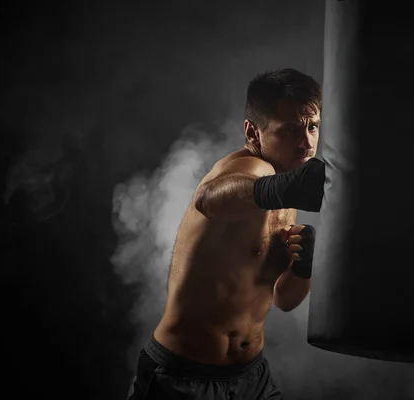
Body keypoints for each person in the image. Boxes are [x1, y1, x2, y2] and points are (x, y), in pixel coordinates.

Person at [127, 68, 326, 400]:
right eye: (290, 129)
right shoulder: (248, 170)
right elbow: (209, 198)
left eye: (313, 126)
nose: (306, 142)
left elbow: (283, 299)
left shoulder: (284, 189)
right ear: (252, 132)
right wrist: (279, 189)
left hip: (251, 377)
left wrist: (302, 267)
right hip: (183, 378)